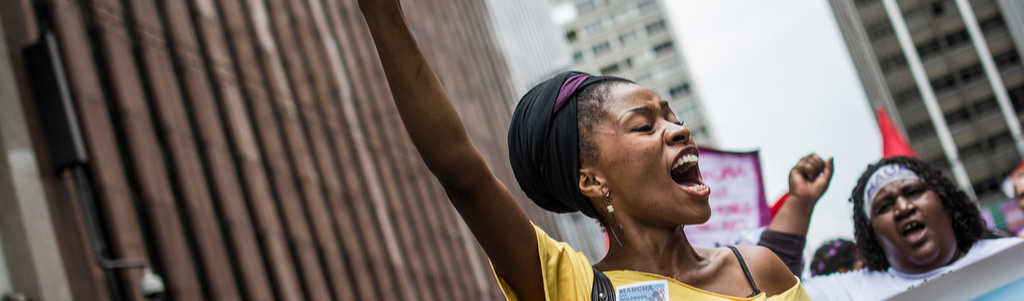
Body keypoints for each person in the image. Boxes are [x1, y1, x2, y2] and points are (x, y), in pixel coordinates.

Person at [358, 1, 818, 300]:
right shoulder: (577, 289)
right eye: (644, 126)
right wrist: (382, 12)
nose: (678, 131)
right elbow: (462, 173)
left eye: (673, 117)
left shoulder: (760, 270)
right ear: (592, 180)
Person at [763, 156, 1023, 300]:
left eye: (913, 192)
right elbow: (764, 288)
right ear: (873, 234)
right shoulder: (851, 293)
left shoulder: (1014, 257)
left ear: (945, 202)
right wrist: (800, 203)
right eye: (884, 206)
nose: (903, 208)